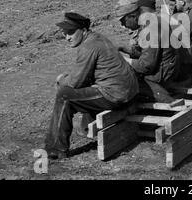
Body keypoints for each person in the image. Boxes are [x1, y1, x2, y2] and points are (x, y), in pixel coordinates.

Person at [45, 13, 139, 160]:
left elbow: (75, 82)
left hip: (115, 94)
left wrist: (61, 79)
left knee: (64, 94)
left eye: (70, 33)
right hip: (128, 92)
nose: (67, 37)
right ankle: (86, 127)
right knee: (81, 89)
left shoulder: (88, 46)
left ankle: (55, 149)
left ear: (83, 30)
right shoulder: (98, 38)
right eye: (64, 34)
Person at [116, 0, 181, 103]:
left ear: (133, 16)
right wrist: (124, 48)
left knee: (124, 81)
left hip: (162, 74)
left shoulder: (150, 29)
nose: (122, 25)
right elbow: (148, 52)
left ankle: (167, 100)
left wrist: (124, 59)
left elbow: (145, 67)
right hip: (167, 67)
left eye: (123, 21)